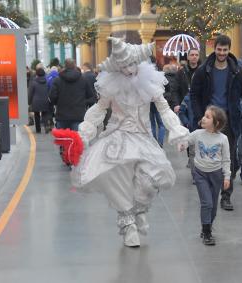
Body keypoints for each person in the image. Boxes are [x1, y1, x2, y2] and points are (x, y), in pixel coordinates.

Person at [52, 38, 189, 247]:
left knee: (154, 177)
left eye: (131, 65)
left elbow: (164, 108)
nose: (128, 70)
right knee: (116, 179)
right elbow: (99, 110)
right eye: (123, 66)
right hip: (117, 137)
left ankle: (141, 208)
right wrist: (85, 133)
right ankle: (128, 224)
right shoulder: (111, 86)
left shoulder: (150, 83)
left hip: (143, 138)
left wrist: (177, 131)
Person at [190, 34, 242, 211]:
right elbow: (194, 95)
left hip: (230, 120)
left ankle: (226, 196)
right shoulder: (204, 70)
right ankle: (210, 191)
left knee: (230, 159)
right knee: (207, 157)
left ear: (229, 50)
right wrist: (198, 116)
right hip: (209, 120)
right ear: (215, 48)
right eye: (219, 49)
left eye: (225, 50)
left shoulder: (237, 71)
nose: (222, 53)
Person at [183, 106, 230, 245]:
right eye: (204, 115)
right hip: (200, 173)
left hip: (216, 175)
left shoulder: (223, 139)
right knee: (207, 203)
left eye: (208, 117)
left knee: (214, 206)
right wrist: (181, 144)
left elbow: (226, 159)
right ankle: (207, 233)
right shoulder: (197, 134)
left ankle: (207, 226)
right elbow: (186, 140)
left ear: (216, 123)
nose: (203, 118)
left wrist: (227, 176)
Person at [49, 58, 96, 131]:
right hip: (78, 115)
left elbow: (52, 97)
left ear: (65, 66)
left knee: (63, 140)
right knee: (76, 140)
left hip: (62, 115)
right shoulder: (83, 79)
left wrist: (58, 103)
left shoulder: (58, 80)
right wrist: (83, 103)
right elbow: (92, 97)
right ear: (75, 65)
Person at [175, 48, 201, 113]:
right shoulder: (180, 72)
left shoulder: (202, 71)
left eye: (196, 55)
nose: (194, 57)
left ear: (198, 57)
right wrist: (176, 104)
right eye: (192, 55)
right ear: (188, 57)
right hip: (184, 106)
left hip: (199, 106)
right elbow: (175, 90)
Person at [28, 64, 51, 133]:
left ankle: (38, 129)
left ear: (37, 74)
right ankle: (46, 125)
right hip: (45, 100)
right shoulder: (47, 81)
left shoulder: (33, 82)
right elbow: (49, 91)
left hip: (36, 101)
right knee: (45, 113)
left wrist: (29, 102)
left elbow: (30, 93)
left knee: (36, 115)